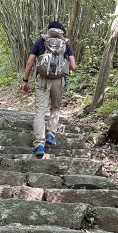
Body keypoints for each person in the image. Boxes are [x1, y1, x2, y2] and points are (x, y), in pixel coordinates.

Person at [22, 20, 76, 158]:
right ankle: (51, 134)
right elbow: (73, 66)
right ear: (61, 31)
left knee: (40, 111)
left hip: (42, 79)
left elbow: (30, 62)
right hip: (59, 80)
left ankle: (39, 144)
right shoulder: (65, 43)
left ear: (48, 30)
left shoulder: (41, 41)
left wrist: (25, 80)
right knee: (55, 108)